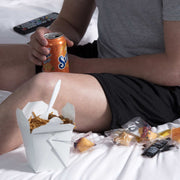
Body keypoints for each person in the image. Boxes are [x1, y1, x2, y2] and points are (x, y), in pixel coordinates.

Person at [1, 0, 180, 154]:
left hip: (159, 85)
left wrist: (86, 67)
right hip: (106, 55)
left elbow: (175, 69)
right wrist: (48, 42)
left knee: (44, 89)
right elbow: (70, 23)